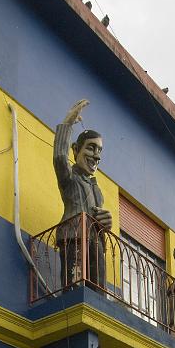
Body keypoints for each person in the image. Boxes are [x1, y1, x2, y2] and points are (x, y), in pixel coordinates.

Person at [53, 99, 112, 289]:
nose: (97, 156)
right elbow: (60, 158)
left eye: (99, 151)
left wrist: (105, 223)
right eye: (91, 148)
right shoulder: (70, 178)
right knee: (74, 288)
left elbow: (99, 219)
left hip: (96, 245)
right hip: (74, 237)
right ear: (76, 150)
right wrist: (67, 124)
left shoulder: (97, 190)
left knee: (99, 290)